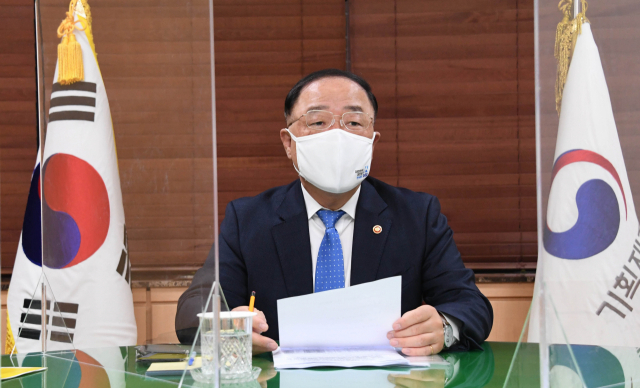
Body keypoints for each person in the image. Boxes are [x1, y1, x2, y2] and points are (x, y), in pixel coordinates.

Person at [176, 69, 493, 356]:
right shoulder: (248, 219)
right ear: (289, 143)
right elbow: (195, 305)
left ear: (372, 141)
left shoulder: (417, 215)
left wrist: (444, 326)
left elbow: (470, 304)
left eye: (354, 123)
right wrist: (224, 325)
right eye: (318, 122)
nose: (337, 135)